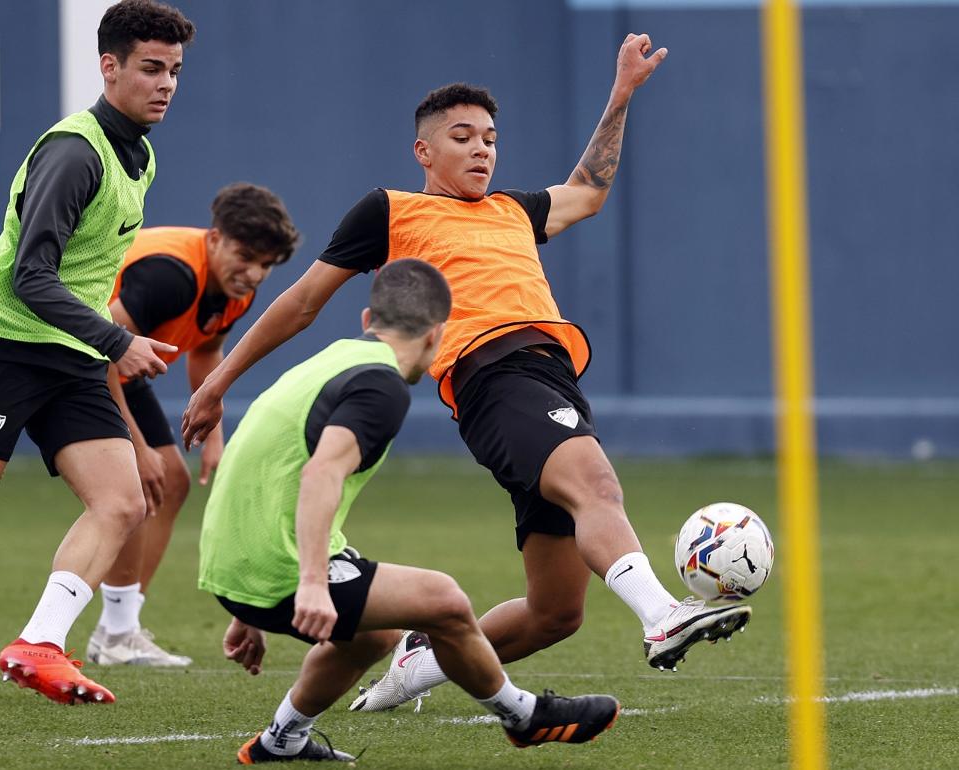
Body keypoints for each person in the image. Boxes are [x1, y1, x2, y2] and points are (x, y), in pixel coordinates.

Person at [184, 34, 753, 715]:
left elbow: (588, 192)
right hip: (494, 374)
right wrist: (216, 384)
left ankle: (419, 661)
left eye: (490, 137)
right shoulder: (392, 211)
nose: (482, 148)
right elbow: (303, 302)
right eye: (463, 137)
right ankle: (662, 614)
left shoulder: (514, 210)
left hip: (552, 381)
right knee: (597, 482)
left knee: (554, 613)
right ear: (425, 152)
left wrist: (621, 94)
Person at [200, 259, 619, 764]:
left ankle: (280, 742)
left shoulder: (334, 358)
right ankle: (523, 718)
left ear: (366, 321)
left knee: (374, 635)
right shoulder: (382, 386)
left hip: (231, 557)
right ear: (437, 335)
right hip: (271, 566)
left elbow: (269, 464)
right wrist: (307, 581)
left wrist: (245, 591)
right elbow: (320, 475)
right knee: (442, 600)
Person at [0, 0, 193, 706]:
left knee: (123, 501)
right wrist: (118, 340)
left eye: (173, 70)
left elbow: (82, 274)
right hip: (10, 345)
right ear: (108, 67)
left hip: (71, 352)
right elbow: (31, 275)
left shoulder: (138, 151)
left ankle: (40, 642)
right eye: (150, 68)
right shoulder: (76, 151)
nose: (166, 83)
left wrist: (103, 341)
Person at [86, 182, 299, 667]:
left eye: (266, 265)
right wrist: (136, 447)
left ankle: (118, 631)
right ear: (216, 237)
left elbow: (205, 350)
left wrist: (213, 438)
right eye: (245, 256)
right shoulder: (171, 276)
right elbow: (96, 347)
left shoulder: (234, 286)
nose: (254, 273)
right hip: (69, 356)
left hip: (115, 363)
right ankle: (114, 633)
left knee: (170, 482)